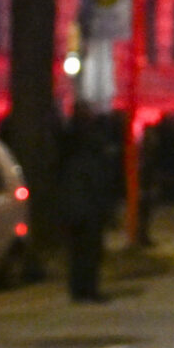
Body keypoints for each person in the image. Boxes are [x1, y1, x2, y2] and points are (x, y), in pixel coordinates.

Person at [59, 108, 117, 303]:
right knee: (90, 251)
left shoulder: (68, 148)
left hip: (72, 207)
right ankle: (88, 289)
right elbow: (98, 183)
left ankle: (78, 289)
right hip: (88, 209)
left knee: (76, 252)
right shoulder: (94, 151)